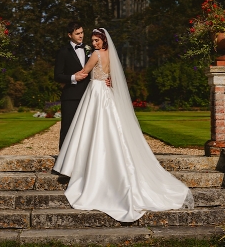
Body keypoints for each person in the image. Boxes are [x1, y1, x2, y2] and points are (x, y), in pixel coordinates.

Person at [53, 28, 194, 222]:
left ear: (103, 40)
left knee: (90, 129)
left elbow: (85, 72)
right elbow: (112, 75)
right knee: (110, 128)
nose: (93, 43)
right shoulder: (112, 54)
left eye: (96, 40)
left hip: (95, 93)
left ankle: (88, 167)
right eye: (92, 41)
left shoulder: (94, 55)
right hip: (107, 93)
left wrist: (71, 78)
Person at [54, 22, 90, 149]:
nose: (81, 36)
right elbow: (57, 75)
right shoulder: (63, 52)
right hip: (70, 96)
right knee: (67, 128)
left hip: (89, 95)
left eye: (82, 32)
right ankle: (62, 162)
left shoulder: (89, 49)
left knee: (87, 129)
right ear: (70, 35)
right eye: (77, 33)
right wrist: (74, 77)